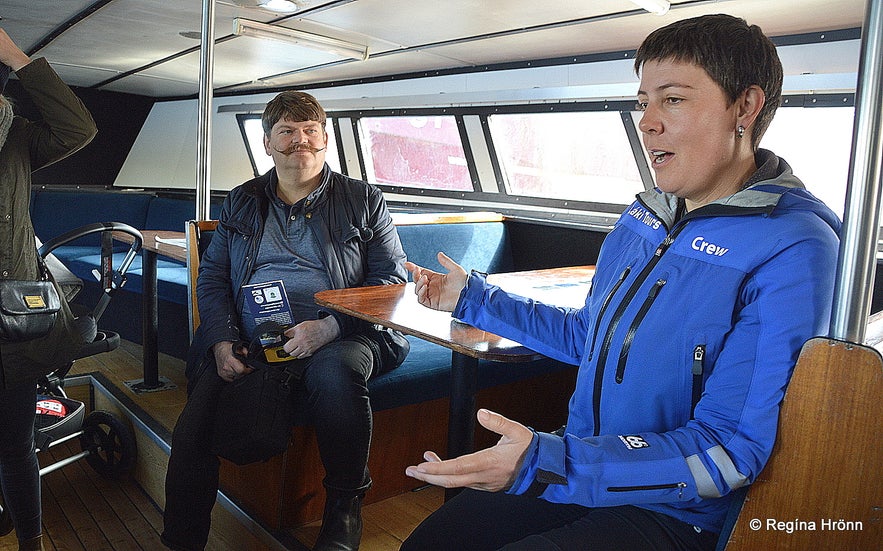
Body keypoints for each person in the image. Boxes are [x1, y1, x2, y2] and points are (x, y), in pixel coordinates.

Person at [400, 14, 841, 551]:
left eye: (672, 100)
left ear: (745, 107)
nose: (647, 121)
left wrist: (548, 462)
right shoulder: (644, 217)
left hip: (675, 512)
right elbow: (590, 336)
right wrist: (471, 297)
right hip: (584, 462)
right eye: (642, 102)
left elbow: (730, 450)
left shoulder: (793, 244)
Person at [161, 90, 409, 551]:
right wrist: (221, 339)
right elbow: (213, 279)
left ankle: (343, 511)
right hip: (255, 331)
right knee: (195, 419)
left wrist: (330, 326)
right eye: (287, 131)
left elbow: (389, 282)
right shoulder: (241, 201)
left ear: (326, 138)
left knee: (335, 373)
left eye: (310, 130)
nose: (301, 140)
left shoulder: (363, 199)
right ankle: (182, 538)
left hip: (349, 328)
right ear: (268, 143)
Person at [0, 29, 97, 551]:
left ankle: (31, 542)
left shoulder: (17, 136)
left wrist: (18, 59)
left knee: (15, 444)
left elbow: (78, 127)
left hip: (12, 324)